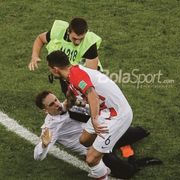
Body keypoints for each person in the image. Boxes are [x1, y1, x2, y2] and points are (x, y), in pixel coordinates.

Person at [46, 50, 137, 179]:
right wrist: (65, 104)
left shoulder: (77, 75)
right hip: (105, 110)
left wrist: (94, 120)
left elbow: (92, 94)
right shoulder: (72, 73)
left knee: (90, 159)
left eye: (50, 69)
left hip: (118, 115)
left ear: (55, 69)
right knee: (84, 140)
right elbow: (72, 94)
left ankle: (102, 174)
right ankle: (104, 153)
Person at [34, 91, 162, 179]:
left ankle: (122, 147)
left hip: (103, 134)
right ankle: (137, 163)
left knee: (140, 132)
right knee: (127, 172)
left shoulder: (69, 105)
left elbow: (95, 109)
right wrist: (44, 145)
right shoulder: (50, 128)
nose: (57, 104)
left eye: (55, 100)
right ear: (45, 110)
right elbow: (37, 157)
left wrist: (81, 104)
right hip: (94, 150)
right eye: (51, 104)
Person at [28, 17, 103, 95]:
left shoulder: (89, 44)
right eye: (74, 38)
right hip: (66, 74)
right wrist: (35, 56)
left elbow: (91, 75)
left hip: (85, 77)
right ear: (68, 32)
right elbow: (40, 39)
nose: (77, 42)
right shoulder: (58, 32)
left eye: (81, 39)